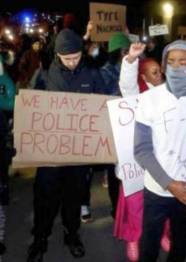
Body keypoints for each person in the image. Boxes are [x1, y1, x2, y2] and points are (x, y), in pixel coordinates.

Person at [132, 40, 186, 262]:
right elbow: (141, 149)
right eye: (170, 62)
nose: (176, 67)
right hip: (157, 187)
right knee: (149, 242)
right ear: (164, 64)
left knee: (180, 242)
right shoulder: (149, 98)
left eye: (182, 62)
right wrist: (168, 183)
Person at [26, 29, 106, 262]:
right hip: (50, 152)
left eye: (76, 57)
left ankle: (72, 235)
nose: (72, 62)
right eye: (67, 58)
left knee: (74, 196)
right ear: (57, 55)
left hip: (78, 153)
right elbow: (31, 107)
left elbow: (103, 104)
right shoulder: (44, 74)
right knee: (45, 198)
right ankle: (40, 239)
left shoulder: (92, 74)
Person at [116, 44, 170, 262]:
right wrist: (130, 60)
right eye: (155, 72)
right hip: (136, 162)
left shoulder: (168, 92)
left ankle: (162, 235)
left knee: (163, 200)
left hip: (161, 159)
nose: (160, 76)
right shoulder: (135, 93)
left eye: (160, 71)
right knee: (136, 205)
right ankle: (134, 239)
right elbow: (126, 84)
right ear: (143, 75)